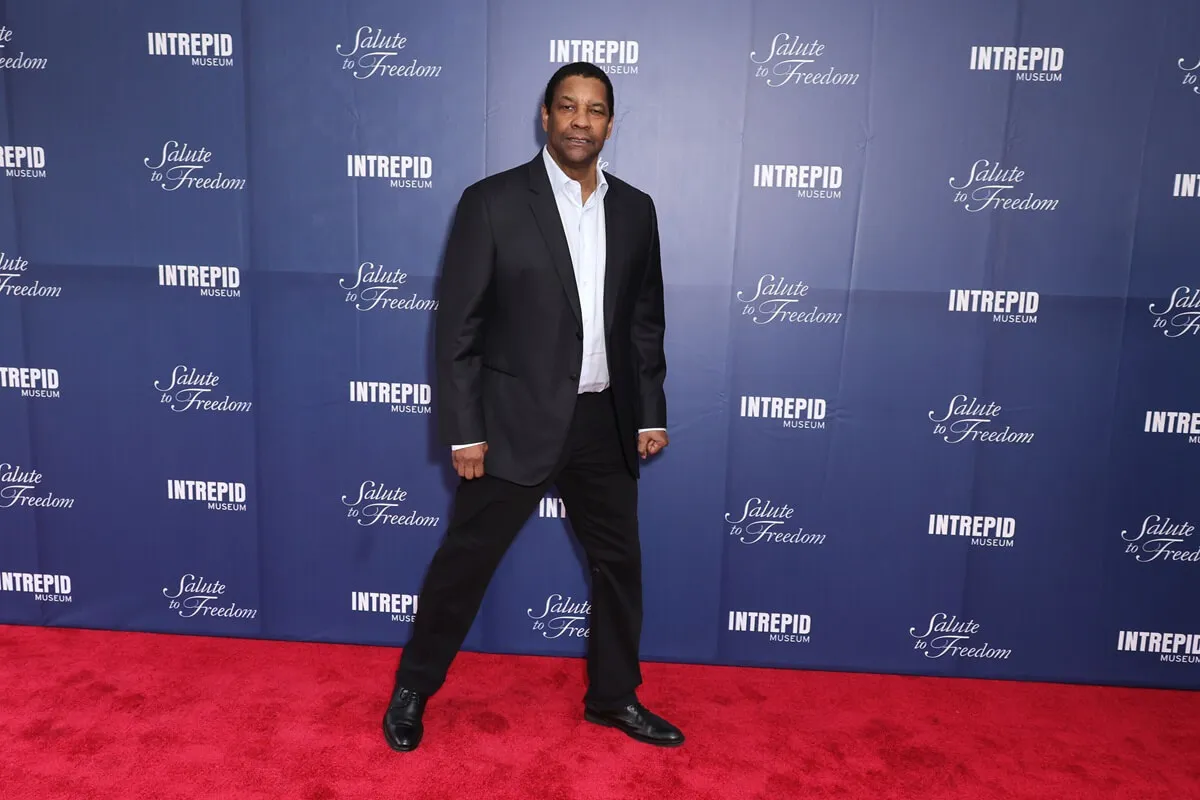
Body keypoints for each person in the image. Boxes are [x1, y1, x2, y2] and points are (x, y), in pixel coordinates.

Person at [381, 61, 683, 751]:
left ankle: (613, 697)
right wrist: (465, 430)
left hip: (604, 422)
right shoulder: (491, 202)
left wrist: (650, 410)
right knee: (466, 563)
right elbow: (459, 327)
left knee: (619, 568)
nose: (582, 121)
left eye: (596, 109)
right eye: (568, 107)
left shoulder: (636, 209)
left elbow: (645, 320)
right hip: (512, 423)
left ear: (610, 122)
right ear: (545, 117)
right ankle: (414, 688)